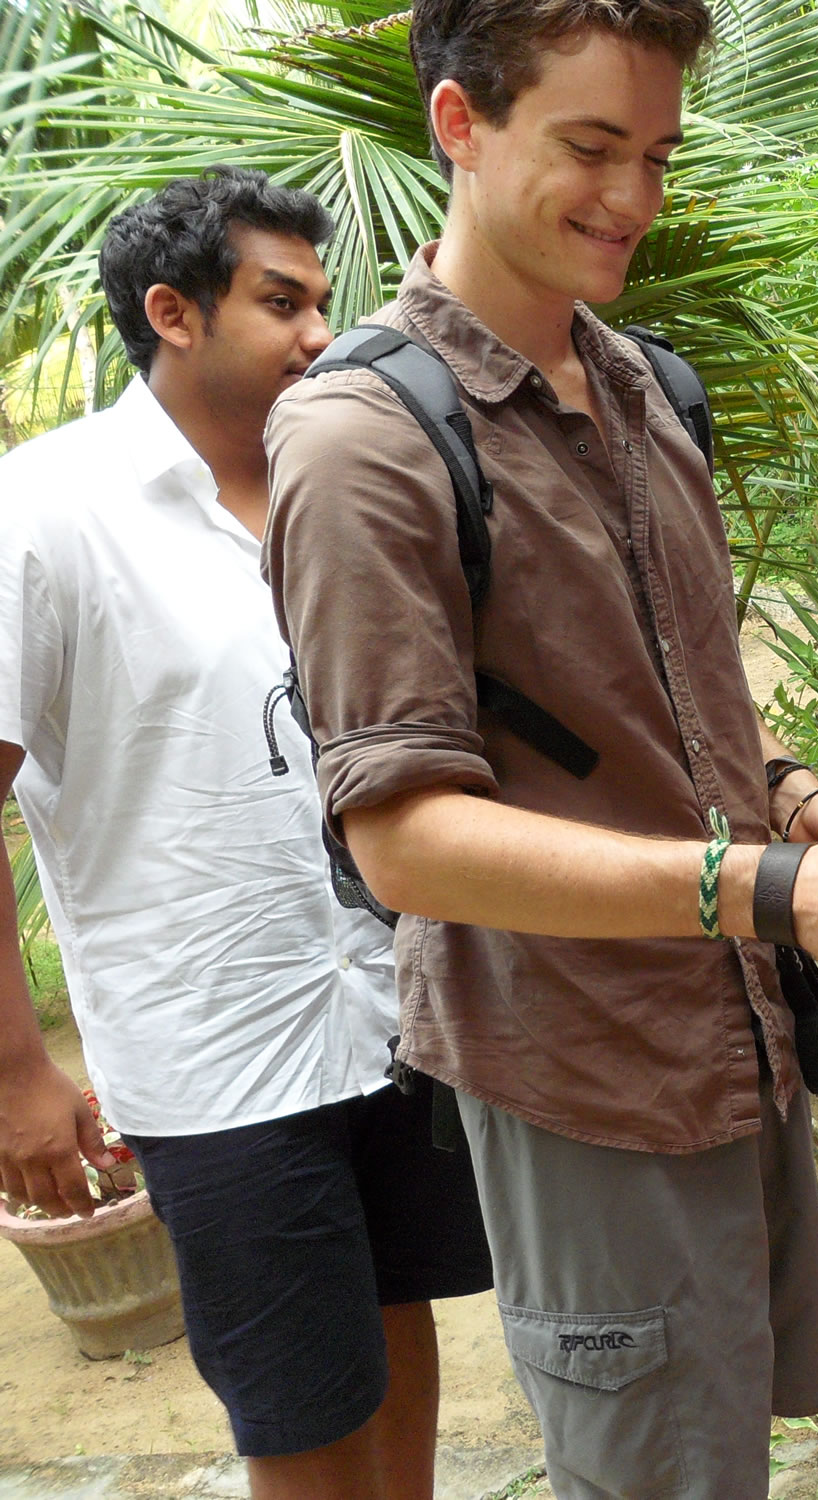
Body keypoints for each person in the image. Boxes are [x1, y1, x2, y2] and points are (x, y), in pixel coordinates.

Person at [260, 2, 818, 1494]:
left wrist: (800, 802)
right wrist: (769, 889)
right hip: (582, 1069)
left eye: (658, 155)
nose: (633, 198)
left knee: (719, 1455)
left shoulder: (645, 388)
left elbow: (676, 692)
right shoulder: (364, 439)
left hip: (733, 1039)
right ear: (461, 124)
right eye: (592, 147)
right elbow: (404, 839)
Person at [0, 170, 492, 1499]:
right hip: (216, 1057)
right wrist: (16, 1073)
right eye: (283, 303)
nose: (320, 333)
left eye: (322, 301)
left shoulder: (332, 483)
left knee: (398, 1327)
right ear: (173, 313)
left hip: (392, 1009)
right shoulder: (46, 510)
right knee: (299, 1407)